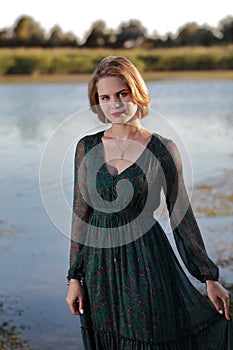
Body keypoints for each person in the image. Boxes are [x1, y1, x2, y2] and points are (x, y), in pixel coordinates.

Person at [66, 55, 232, 349]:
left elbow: (180, 214)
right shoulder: (86, 147)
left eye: (122, 94)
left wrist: (208, 276)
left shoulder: (162, 148)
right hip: (98, 269)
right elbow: (82, 215)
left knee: (150, 337)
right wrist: (74, 278)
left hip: (147, 261)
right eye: (105, 97)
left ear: (137, 93)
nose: (114, 104)